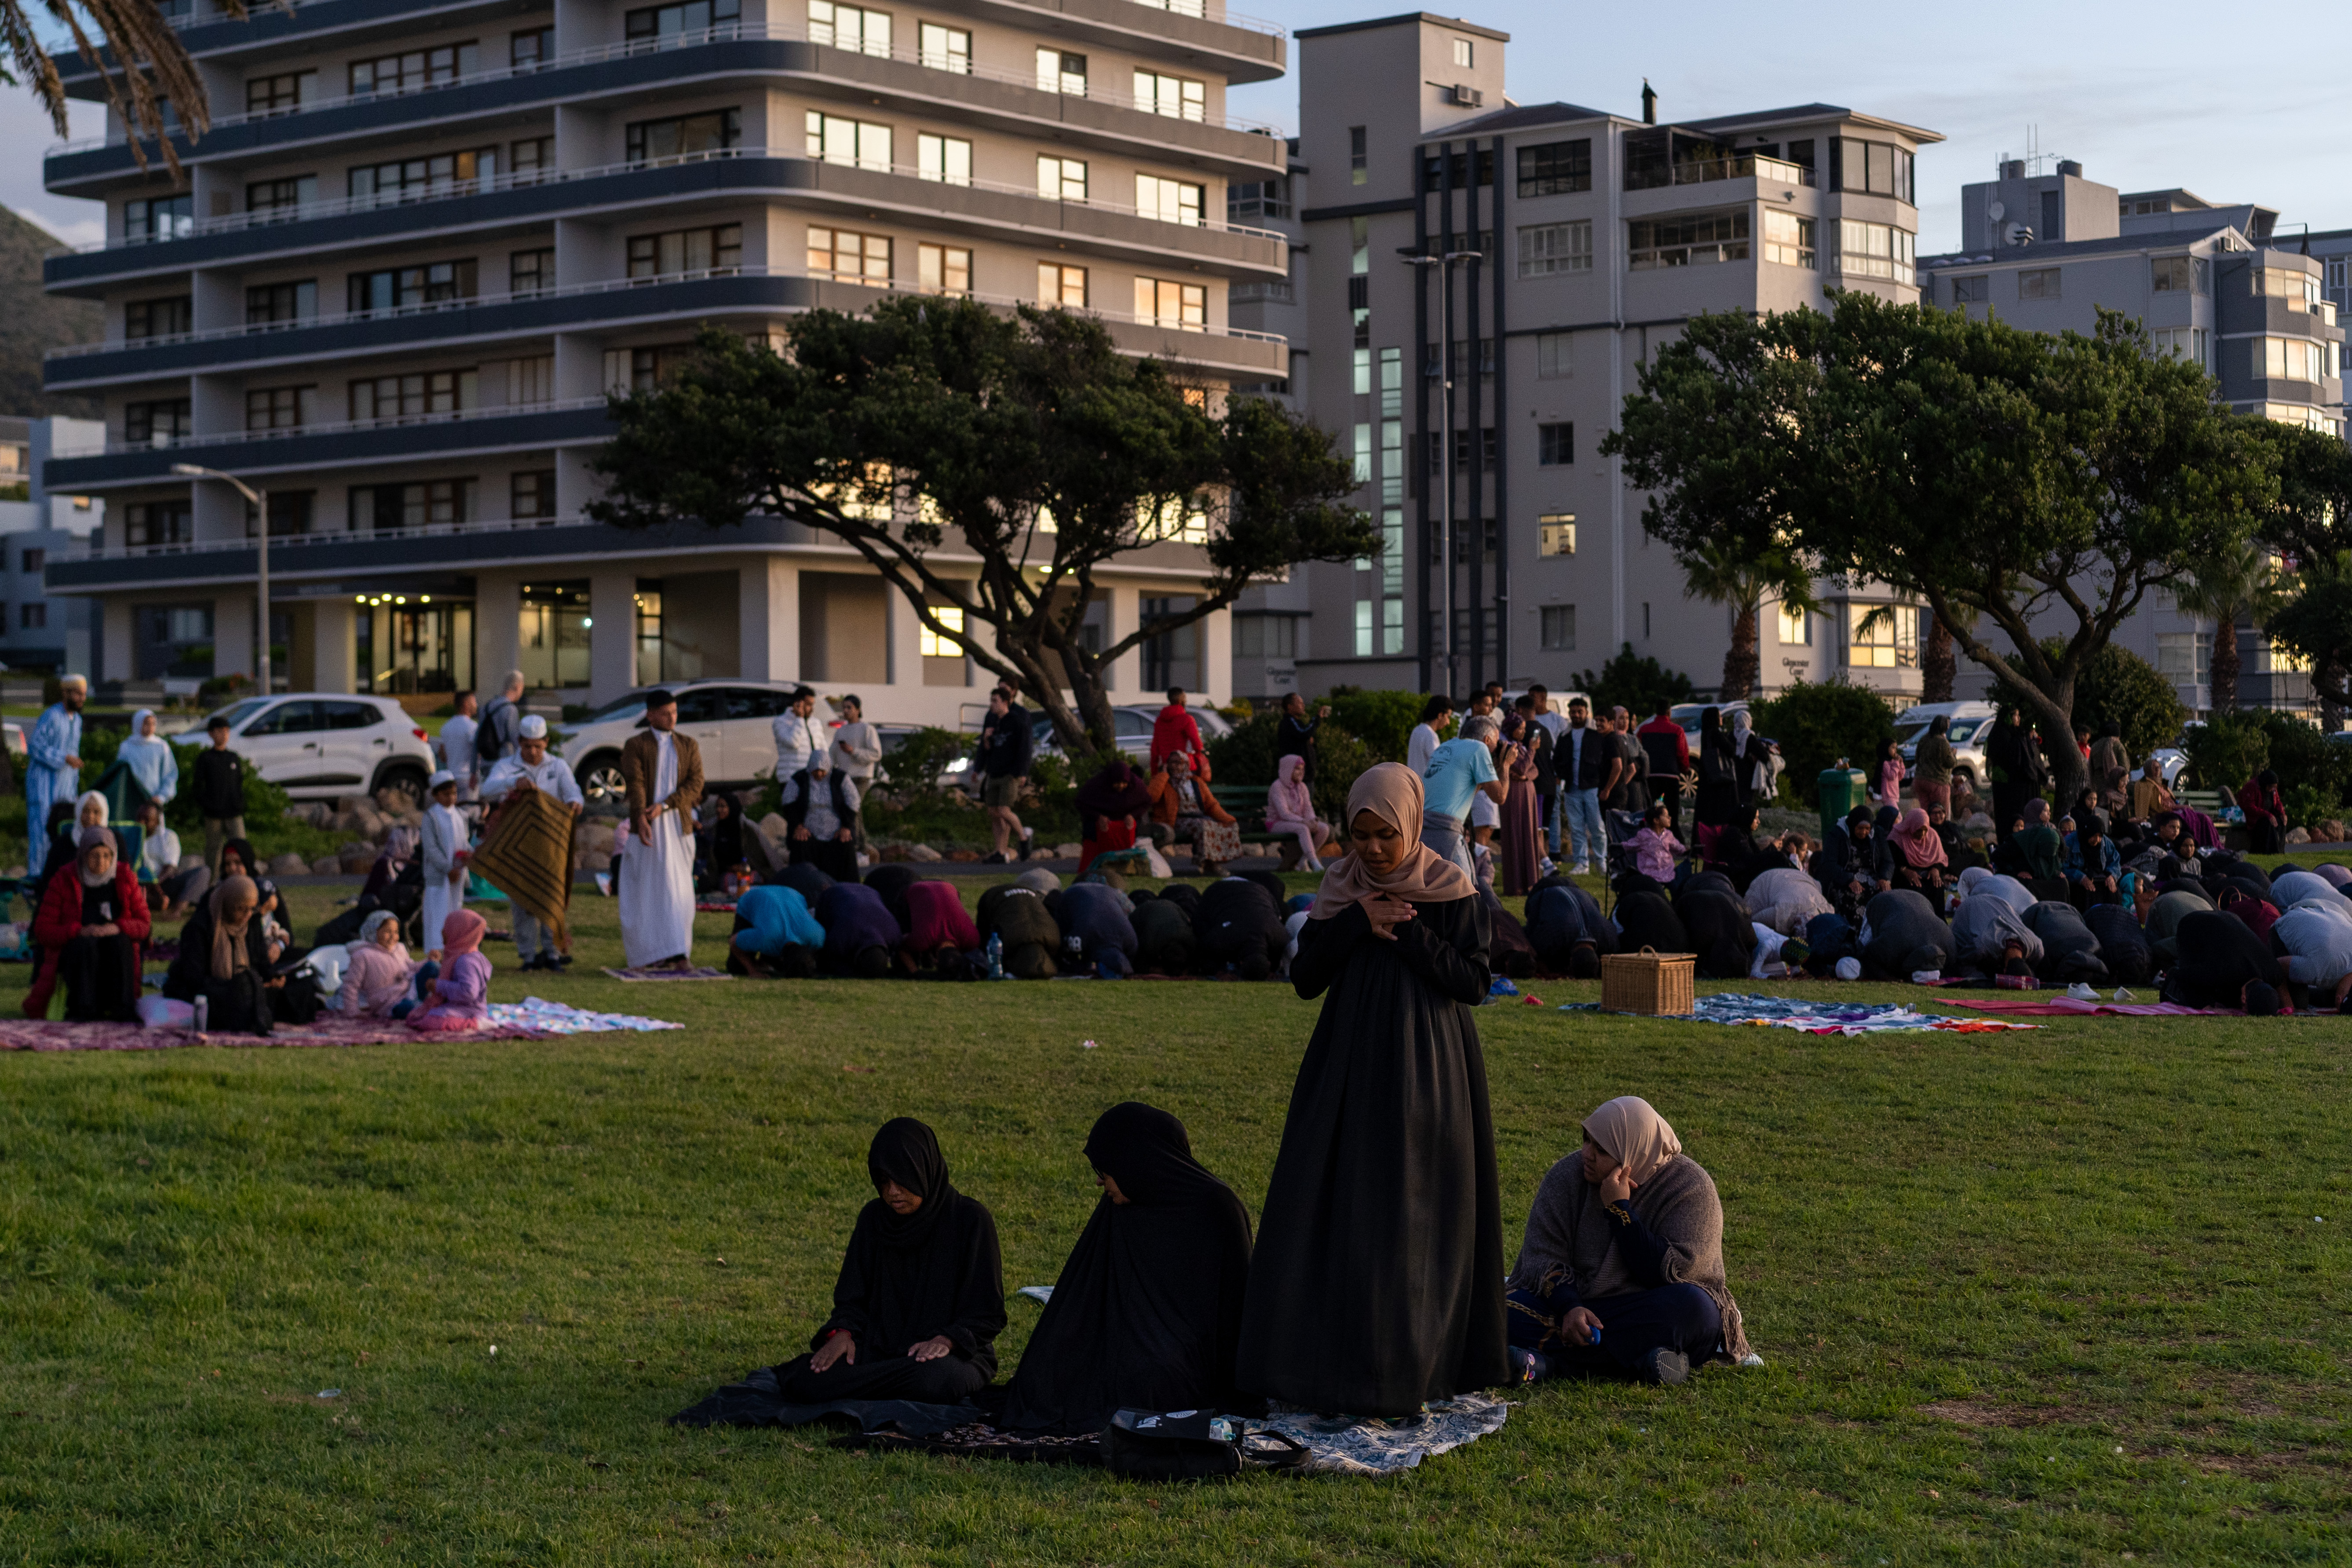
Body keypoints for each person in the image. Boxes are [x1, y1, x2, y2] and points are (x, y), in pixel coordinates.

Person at [1237, 763, 1508, 1416]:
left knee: (1414, 1206)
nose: (1374, 850)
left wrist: (1408, 929)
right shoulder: (1340, 889)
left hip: (1430, 1069)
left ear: (1411, 825)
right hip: (1347, 1066)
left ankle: (1415, 1362)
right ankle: (1323, 1360)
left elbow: (1472, 982)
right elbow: (1306, 978)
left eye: (1385, 835)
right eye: (1361, 836)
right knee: (1336, 1200)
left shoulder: (1452, 888)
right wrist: (1358, 920)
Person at [1001, 1103, 1255, 1433]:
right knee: (1053, 1372)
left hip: (1190, 1354)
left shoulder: (1217, 1207)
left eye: (1106, 1170)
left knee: (1149, 1377)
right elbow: (1086, 1293)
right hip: (1124, 1336)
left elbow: (1235, 1313)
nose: (1099, 1181)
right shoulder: (1121, 1207)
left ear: (1137, 1162)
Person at [1506, 1097, 1753, 1386]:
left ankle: (1553, 1365)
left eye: (1601, 1150)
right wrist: (1570, 1307)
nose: (1587, 1153)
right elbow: (1542, 1258)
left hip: (1648, 1309)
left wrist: (1620, 1210)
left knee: (1697, 1311)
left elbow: (1669, 1274)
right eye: (1587, 1140)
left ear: (1633, 1152)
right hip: (1578, 1305)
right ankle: (1648, 1361)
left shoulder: (1691, 1188)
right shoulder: (1566, 1176)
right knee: (1498, 1310)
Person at [779, 1119, 1006, 1404]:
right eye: (884, 1181)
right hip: (878, 1347)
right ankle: (885, 1385)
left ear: (924, 1169)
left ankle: (867, 1387)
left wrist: (945, 1340)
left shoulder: (970, 1220)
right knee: (804, 1377)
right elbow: (852, 1299)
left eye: (902, 1179)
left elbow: (987, 1313)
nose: (892, 1192)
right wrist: (843, 1334)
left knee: (934, 1380)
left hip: (954, 1354)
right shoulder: (874, 1219)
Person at [478, 714, 584, 971]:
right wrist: (513, 783)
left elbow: (574, 792)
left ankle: (552, 953)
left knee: (551, 897)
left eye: (538, 746)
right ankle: (527, 954)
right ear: (519, 743)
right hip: (520, 844)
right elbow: (486, 789)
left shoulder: (558, 766)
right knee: (522, 898)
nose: (533, 752)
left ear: (546, 742)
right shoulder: (507, 765)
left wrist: (575, 804)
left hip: (551, 845)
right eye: (527, 746)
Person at [26, 826, 148, 1022]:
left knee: (120, 942)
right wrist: (78, 931)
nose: (101, 862)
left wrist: (117, 927)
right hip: (77, 956)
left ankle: (122, 1009)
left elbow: (144, 925)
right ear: (83, 855)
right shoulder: (64, 880)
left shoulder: (125, 878)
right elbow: (43, 930)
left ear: (114, 856)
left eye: (107, 856)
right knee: (86, 945)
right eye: (94, 856)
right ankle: (84, 1009)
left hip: (115, 954)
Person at [619, 688, 704, 969]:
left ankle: (680, 953)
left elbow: (695, 784)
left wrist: (666, 805)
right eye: (666, 714)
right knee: (645, 891)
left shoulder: (688, 745)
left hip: (678, 826)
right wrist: (642, 818)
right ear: (651, 715)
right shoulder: (636, 745)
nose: (672, 718)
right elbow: (636, 783)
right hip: (648, 829)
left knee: (679, 891)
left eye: (675, 712)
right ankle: (648, 954)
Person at [163, 877, 277, 1035]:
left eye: (252, 909)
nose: (248, 914)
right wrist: (235, 985)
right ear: (227, 904)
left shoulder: (251, 923)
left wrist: (272, 978)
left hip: (245, 987)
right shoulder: (199, 927)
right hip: (207, 990)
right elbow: (194, 978)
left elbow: (261, 962)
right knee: (237, 997)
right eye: (241, 909)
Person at [1421, 713, 1507, 879]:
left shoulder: (1445, 747)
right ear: (1487, 740)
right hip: (1446, 829)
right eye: (1496, 745)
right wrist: (1506, 765)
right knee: (1466, 888)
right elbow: (1500, 796)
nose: (1496, 750)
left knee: (1433, 888)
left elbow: (1467, 790)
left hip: (1422, 827)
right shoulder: (1479, 748)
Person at [2162, 908, 2287, 1010]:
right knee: (2194, 993)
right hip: (2192, 927)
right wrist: (2207, 1008)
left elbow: (2279, 982)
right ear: (2244, 1000)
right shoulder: (2221, 971)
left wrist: (2289, 1007)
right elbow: (2182, 976)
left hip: (2227, 919)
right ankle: (2169, 983)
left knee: (2223, 997)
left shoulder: (2273, 971)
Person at [1145, 751, 1234, 876]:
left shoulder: (1196, 781)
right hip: (1174, 821)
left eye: (1178, 763)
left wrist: (1228, 820)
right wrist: (1164, 774)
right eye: (1171, 762)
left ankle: (1210, 863)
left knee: (1211, 824)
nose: (1174, 766)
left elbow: (1211, 805)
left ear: (1186, 764)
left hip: (1198, 818)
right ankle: (1211, 865)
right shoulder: (1164, 781)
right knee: (1203, 825)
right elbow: (1152, 798)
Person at [23, 674, 86, 843]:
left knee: (63, 832)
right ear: (66, 694)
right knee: (42, 834)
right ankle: (38, 871)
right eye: (78, 694)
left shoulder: (78, 720)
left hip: (66, 787)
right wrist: (64, 758)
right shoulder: (52, 716)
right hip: (43, 786)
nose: (82, 699)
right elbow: (35, 746)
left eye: (84, 695)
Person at [408, 909, 493, 1031]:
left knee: (431, 1022)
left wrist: (438, 986)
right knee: (415, 1017)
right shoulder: (458, 955)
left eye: (448, 928)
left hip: (469, 1011)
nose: (443, 932)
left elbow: (469, 992)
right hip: (457, 1006)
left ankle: (476, 1024)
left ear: (460, 933)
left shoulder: (467, 961)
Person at [977, 687, 1034, 866]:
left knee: (1004, 810)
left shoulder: (1017, 722)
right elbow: (989, 749)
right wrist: (986, 739)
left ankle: (1024, 837)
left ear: (1005, 702)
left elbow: (1024, 749)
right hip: (994, 771)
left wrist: (1022, 772)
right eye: (991, 701)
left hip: (1010, 773)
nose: (992, 705)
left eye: (995, 701)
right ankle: (1000, 852)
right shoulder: (994, 722)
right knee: (993, 812)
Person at [418, 770, 468, 965]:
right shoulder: (431, 817)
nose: (452, 798)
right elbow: (431, 849)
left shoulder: (459, 816)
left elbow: (463, 843)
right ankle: (436, 955)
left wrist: (469, 856)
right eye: (447, 794)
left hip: (457, 876)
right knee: (438, 914)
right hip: (440, 878)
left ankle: (454, 952)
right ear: (436, 795)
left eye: (454, 794)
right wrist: (448, 869)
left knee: (455, 912)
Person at [338, 909, 425, 1019]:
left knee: (432, 968)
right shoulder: (363, 956)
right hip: (387, 1003)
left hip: (409, 992)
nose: (393, 936)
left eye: (396, 932)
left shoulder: (400, 949)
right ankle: (420, 1009)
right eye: (388, 932)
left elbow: (411, 967)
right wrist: (353, 1012)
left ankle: (427, 1006)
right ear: (374, 931)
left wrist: (428, 961)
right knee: (407, 1008)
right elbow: (351, 985)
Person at [728, 881, 825, 977]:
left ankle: (765, 962)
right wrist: (752, 972)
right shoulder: (766, 937)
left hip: (792, 894)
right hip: (753, 897)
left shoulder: (818, 937)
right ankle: (765, 962)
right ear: (782, 959)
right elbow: (733, 942)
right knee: (737, 968)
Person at [190, 713, 247, 874]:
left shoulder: (233, 758)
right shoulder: (206, 758)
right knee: (213, 851)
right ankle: (211, 884)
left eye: (227, 731)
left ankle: (241, 881)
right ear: (211, 733)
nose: (224, 735)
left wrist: (239, 803)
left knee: (239, 847)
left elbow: (239, 783)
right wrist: (207, 804)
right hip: (213, 813)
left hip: (234, 812)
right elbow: (198, 786)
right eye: (220, 731)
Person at [829, 694, 883, 860]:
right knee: (851, 810)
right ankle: (858, 847)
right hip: (845, 777)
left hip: (861, 777)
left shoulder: (867, 729)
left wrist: (854, 752)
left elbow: (876, 754)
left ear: (858, 710)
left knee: (854, 808)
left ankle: (860, 846)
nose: (845, 711)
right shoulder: (841, 731)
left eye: (849, 708)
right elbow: (832, 755)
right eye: (844, 708)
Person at [1074, 757, 1152, 872]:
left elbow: (1146, 802)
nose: (1121, 786)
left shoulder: (1136, 785)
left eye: (1124, 783)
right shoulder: (1097, 785)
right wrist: (1098, 816)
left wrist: (1132, 815)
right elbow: (1081, 803)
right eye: (1117, 783)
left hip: (1124, 826)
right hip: (1098, 826)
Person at [1497, 712, 1545, 895]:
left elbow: (1533, 770)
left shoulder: (1521, 748)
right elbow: (1523, 766)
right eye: (1520, 729)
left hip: (1527, 792)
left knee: (1529, 834)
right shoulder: (1507, 747)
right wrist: (1532, 753)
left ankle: (1531, 882)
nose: (1524, 732)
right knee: (1516, 833)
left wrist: (1525, 776)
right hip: (1515, 794)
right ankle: (1516, 884)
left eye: (1525, 729)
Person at [814, 880, 898, 978]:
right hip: (833, 894)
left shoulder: (895, 935)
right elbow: (827, 955)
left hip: (869, 892)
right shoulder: (841, 938)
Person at [135, 798, 205, 916]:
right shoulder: (131, 835)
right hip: (138, 884)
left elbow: (170, 868)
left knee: (203, 872)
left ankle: (178, 911)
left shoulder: (168, 837)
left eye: (147, 820)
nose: (142, 823)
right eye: (139, 819)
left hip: (163, 882)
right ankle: (154, 902)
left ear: (157, 822)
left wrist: (155, 883)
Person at [1264, 752, 1329, 873]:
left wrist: (1312, 821)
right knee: (1303, 828)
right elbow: (1284, 813)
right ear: (1288, 769)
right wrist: (1304, 822)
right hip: (1277, 823)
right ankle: (1315, 864)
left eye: (1302, 769)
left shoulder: (1302, 787)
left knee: (1324, 828)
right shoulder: (1277, 787)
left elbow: (1308, 808)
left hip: (1298, 822)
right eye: (1297, 769)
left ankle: (1302, 862)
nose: (1301, 772)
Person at [1637, 700, 1692, 834]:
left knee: (1653, 810)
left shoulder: (1644, 730)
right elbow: (1682, 753)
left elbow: (1638, 753)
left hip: (1651, 776)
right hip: (1670, 776)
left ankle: (1651, 834)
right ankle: (1673, 838)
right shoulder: (1677, 730)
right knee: (1671, 812)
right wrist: (1684, 769)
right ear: (1669, 712)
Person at [772, 685, 831, 809]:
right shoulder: (780, 722)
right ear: (798, 703)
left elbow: (823, 749)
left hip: (813, 777)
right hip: (791, 777)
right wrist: (799, 719)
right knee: (794, 817)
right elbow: (793, 743)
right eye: (809, 704)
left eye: (812, 705)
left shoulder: (815, 723)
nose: (812, 709)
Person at [117, 708, 179, 807]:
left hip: (154, 801)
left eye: (153, 724)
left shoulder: (162, 746)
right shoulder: (127, 746)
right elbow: (121, 774)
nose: (150, 727)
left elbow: (170, 774)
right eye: (146, 723)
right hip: (131, 800)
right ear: (138, 723)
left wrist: (162, 797)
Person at [473, 670, 526, 778]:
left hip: (486, 762)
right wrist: (524, 765)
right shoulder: (510, 709)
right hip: (503, 764)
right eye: (522, 689)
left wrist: (473, 771)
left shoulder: (486, 707)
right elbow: (516, 740)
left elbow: (477, 738)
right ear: (517, 687)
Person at [2063, 814, 2123, 907]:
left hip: (2100, 879)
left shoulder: (2105, 842)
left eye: (2100, 836)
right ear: (2087, 832)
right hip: (2077, 884)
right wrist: (2080, 877)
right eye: (2094, 836)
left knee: (2114, 894)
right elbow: (2061, 867)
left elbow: (2115, 862)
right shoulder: (2069, 843)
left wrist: (2112, 876)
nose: (2097, 840)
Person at [1888, 807, 1948, 895]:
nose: (1923, 834)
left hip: (1927, 874)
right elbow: (1890, 862)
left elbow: (1941, 859)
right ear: (1911, 826)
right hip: (1904, 876)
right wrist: (1904, 870)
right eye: (1919, 830)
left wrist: (1936, 869)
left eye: (1925, 830)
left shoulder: (1932, 836)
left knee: (1937, 886)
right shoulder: (1897, 837)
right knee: (1914, 887)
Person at [1148, 687, 1207, 774]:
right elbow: (1197, 745)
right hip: (1184, 766)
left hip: (1167, 767)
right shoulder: (1187, 719)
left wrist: (1154, 773)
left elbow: (1155, 750)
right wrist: (1198, 756)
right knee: (1195, 787)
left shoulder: (1160, 721)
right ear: (1182, 700)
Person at [1725, 709, 1773, 816]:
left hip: (1732, 775)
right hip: (1747, 777)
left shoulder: (1730, 736)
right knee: (1747, 806)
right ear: (1747, 721)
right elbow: (1764, 756)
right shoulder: (1748, 737)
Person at [1273, 693, 1328, 785]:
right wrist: (1317, 718)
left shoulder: (1296, 723)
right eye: (1299, 703)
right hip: (1297, 777)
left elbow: (1303, 735)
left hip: (1305, 776)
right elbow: (1304, 733)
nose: (1303, 706)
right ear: (1290, 707)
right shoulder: (1289, 722)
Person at [1626, 802, 1684, 886]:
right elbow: (1630, 846)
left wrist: (1686, 850)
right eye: (1666, 816)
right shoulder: (1644, 835)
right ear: (1656, 820)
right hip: (1649, 875)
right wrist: (1617, 847)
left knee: (1678, 891)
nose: (1670, 818)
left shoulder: (1668, 835)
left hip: (1667, 874)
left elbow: (1679, 848)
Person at [437, 690, 479, 805]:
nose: (476, 704)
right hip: (468, 779)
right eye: (474, 701)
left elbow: (442, 756)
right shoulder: (473, 727)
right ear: (466, 704)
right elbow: (478, 754)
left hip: (451, 778)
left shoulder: (446, 727)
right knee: (468, 815)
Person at [1909, 715, 1956, 816]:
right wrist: (1953, 754)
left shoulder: (1924, 739)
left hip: (1920, 780)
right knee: (1940, 815)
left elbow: (1917, 758)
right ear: (1944, 727)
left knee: (1926, 815)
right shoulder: (1942, 742)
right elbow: (1950, 763)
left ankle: (1927, 832)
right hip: (1938, 782)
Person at [2239, 769, 2286, 855]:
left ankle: (2280, 852)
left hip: (2268, 816)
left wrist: (2282, 813)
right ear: (2265, 784)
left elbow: (2278, 803)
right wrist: (2267, 814)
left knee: (2282, 822)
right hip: (2255, 819)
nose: (2273, 789)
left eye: (2275, 787)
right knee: (2267, 823)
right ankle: (2270, 852)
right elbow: (2249, 807)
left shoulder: (2273, 789)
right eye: (2271, 787)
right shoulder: (2252, 786)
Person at [1406, 694, 1454, 775]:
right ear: (1440, 715)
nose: (1448, 723)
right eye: (1448, 717)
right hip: (1425, 785)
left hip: (1413, 782)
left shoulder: (1417, 730)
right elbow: (1438, 764)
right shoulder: (1430, 735)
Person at [2127, 759, 2175, 824]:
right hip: (2163, 815)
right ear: (2148, 770)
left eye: (2159, 767)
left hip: (2172, 811)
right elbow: (2158, 808)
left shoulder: (2162, 784)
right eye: (2154, 768)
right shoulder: (2145, 786)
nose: (2158, 770)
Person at [1869, 736, 1906, 811]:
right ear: (1886, 748)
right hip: (1888, 795)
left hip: (1894, 794)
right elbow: (1892, 776)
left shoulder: (1893, 762)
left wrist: (1901, 764)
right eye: (1893, 748)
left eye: (1896, 748)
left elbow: (1901, 776)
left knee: (1893, 817)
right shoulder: (1885, 763)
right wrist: (1896, 763)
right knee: (1897, 816)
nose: (1895, 751)